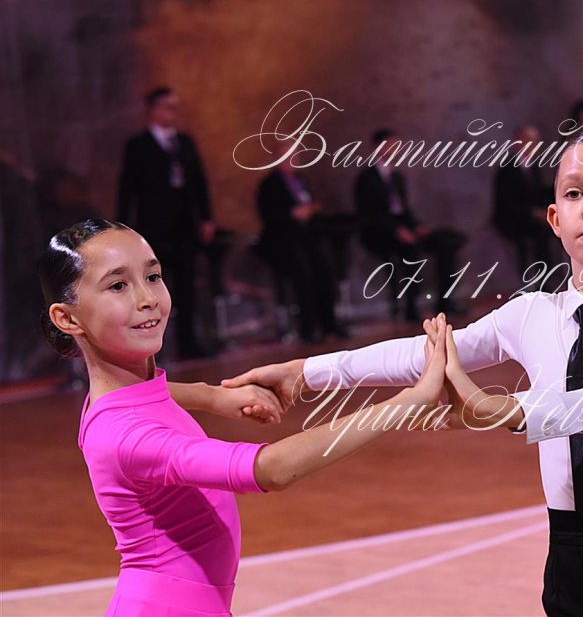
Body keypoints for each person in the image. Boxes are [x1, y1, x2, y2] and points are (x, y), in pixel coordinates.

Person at [226, 119, 583, 615]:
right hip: (569, 551)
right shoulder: (530, 315)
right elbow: (423, 355)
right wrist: (305, 372)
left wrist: (507, 409)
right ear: (554, 218)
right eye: (573, 193)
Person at [39, 218, 447, 616]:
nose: (147, 298)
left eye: (153, 276)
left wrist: (214, 397)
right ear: (67, 318)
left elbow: (149, 399)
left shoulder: (113, 403)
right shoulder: (125, 437)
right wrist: (409, 403)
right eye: (118, 286)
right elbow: (271, 469)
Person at [117, 87, 215, 358]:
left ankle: (188, 342)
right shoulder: (138, 146)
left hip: (184, 226)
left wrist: (206, 217)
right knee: (152, 287)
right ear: (153, 110)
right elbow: (127, 189)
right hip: (153, 228)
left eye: (175, 107)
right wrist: (122, 229)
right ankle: (151, 346)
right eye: (167, 107)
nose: (173, 113)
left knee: (186, 286)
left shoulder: (184, 142)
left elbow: (199, 183)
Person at [354, 129, 466, 321]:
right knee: (410, 251)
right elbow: (371, 214)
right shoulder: (367, 178)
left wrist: (416, 226)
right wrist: (397, 230)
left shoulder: (397, 177)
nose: (395, 150)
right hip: (380, 233)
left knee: (446, 244)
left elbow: (403, 210)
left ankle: (445, 302)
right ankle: (411, 309)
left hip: (403, 228)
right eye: (390, 145)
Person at [257, 148, 349, 342]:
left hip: (306, 237)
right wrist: (292, 214)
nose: (292, 160)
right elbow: (269, 218)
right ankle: (308, 328)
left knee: (325, 271)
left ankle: (329, 324)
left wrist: (311, 210)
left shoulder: (301, 180)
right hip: (284, 240)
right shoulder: (269, 185)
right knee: (303, 275)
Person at [491, 124, 555, 286]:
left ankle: (548, 278)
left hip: (529, 215)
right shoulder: (507, 168)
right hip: (512, 218)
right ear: (519, 142)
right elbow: (506, 203)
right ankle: (539, 283)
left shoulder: (533, 166)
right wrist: (533, 212)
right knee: (539, 232)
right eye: (530, 141)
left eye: (536, 142)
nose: (534, 146)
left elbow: (537, 194)